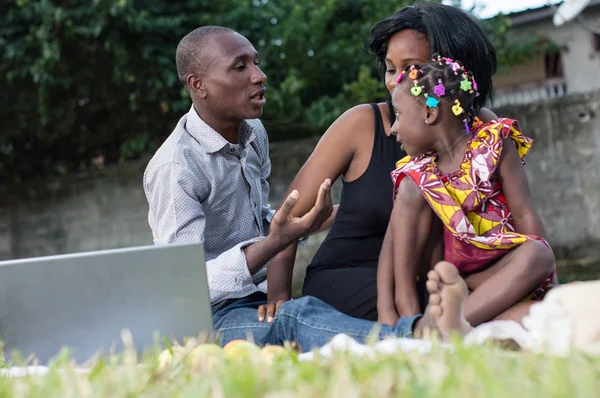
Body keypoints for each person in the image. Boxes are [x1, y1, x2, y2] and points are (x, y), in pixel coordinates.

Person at [143, 25, 472, 351]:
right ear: (198, 85)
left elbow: (260, 223)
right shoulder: (176, 167)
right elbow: (181, 288)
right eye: (240, 67)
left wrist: (328, 218)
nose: (259, 76)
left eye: (255, 62)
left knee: (303, 313)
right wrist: (276, 241)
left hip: (254, 299)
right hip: (207, 320)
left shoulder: (253, 134)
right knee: (294, 318)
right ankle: (418, 338)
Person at [263, 3, 499, 322]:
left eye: (411, 68)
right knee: (464, 309)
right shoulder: (362, 124)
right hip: (349, 279)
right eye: (390, 69)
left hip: (439, 278)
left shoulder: (483, 130)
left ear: (453, 70)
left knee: (510, 294)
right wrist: (279, 299)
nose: (395, 83)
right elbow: (288, 218)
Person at [376, 55, 556, 327]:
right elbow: (392, 247)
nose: (393, 128)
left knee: (539, 254)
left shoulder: (494, 144)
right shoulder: (417, 175)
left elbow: (526, 214)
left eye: (398, 115)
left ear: (429, 113)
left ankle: (450, 326)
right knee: (412, 189)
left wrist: (543, 280)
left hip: (503, 274)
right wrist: (387, 309)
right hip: (455, 280)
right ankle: (428, 321)